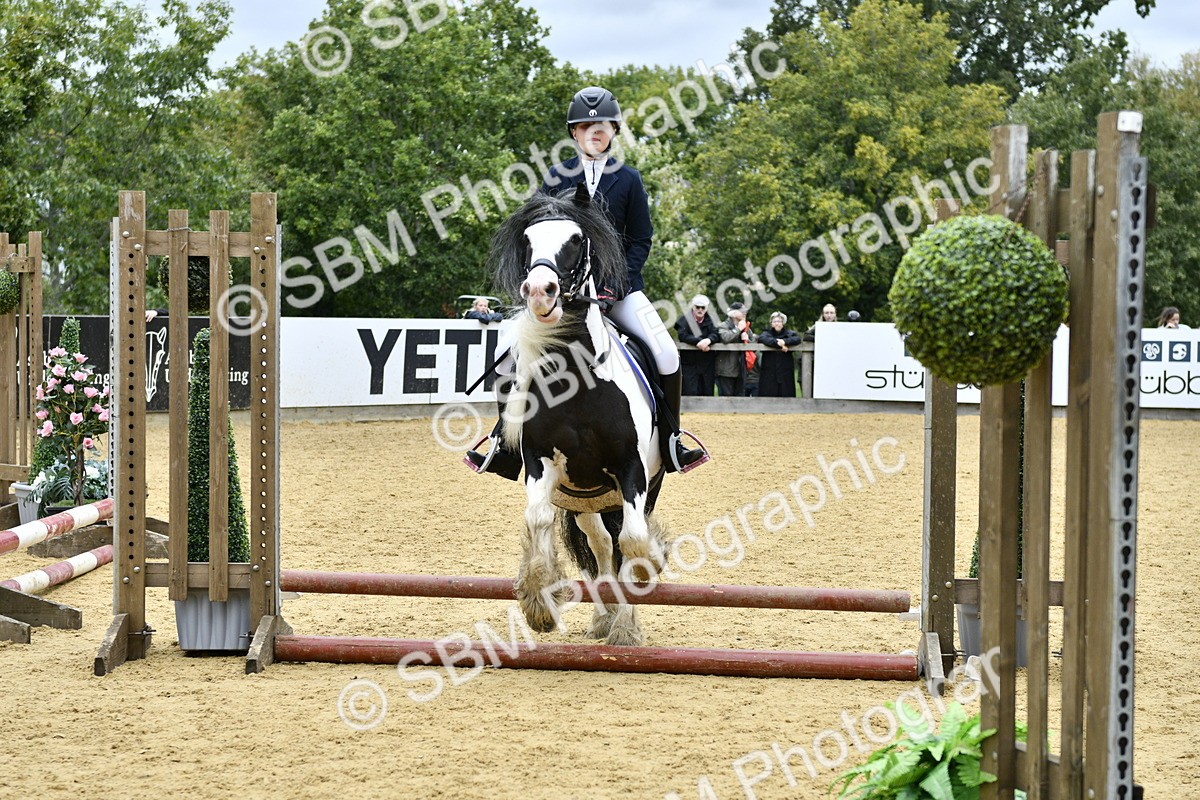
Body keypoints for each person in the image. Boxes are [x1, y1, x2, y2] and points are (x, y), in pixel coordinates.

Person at [466, 86, 709, 477]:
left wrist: (617, 284)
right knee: (508, 350)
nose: (594, 132)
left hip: (619, 290)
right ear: (575, 133)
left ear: (613, 131)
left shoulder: (629, 179)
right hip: (562, 293)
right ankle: (504, 442)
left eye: (602, 125)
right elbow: (535, 233)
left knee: (666, 352)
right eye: (585, 126)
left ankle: (670, 440)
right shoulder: (556, 176)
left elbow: (641, 239)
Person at [674, 294, 718, 396]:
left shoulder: (710, 320)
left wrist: (708, 340)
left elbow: (716, 334)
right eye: (697, 307)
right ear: (693, 307)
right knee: (690, 390)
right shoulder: (685, 320)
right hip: (689, 362)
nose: (700, 310)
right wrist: (699, 342)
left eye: (703, 308)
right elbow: (682, 335)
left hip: (706, 362)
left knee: (707, 391)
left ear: (706, 308)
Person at [757, 312, 802, 397]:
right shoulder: (766, 333)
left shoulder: (790, 333)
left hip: (785, 370)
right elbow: (763, 339)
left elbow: (797, 339)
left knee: (786, 393)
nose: (777, 323)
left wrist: (785, 342)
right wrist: (779, 344)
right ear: (771, 323)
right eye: (774, 321)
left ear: (783, 323)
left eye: (779, 321)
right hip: (769, 370)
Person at [715, 301, 751, 397]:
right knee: (726, 399)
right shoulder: (723, 325)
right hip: (726, 371)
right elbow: (725, 338)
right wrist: (738, 329)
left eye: (745, 311)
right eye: (742, 311)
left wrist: (747, 339)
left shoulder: (745, 327)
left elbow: (754, 345)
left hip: (741, 370)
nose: (745, 313)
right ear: (733, 313)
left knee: (740, 400)